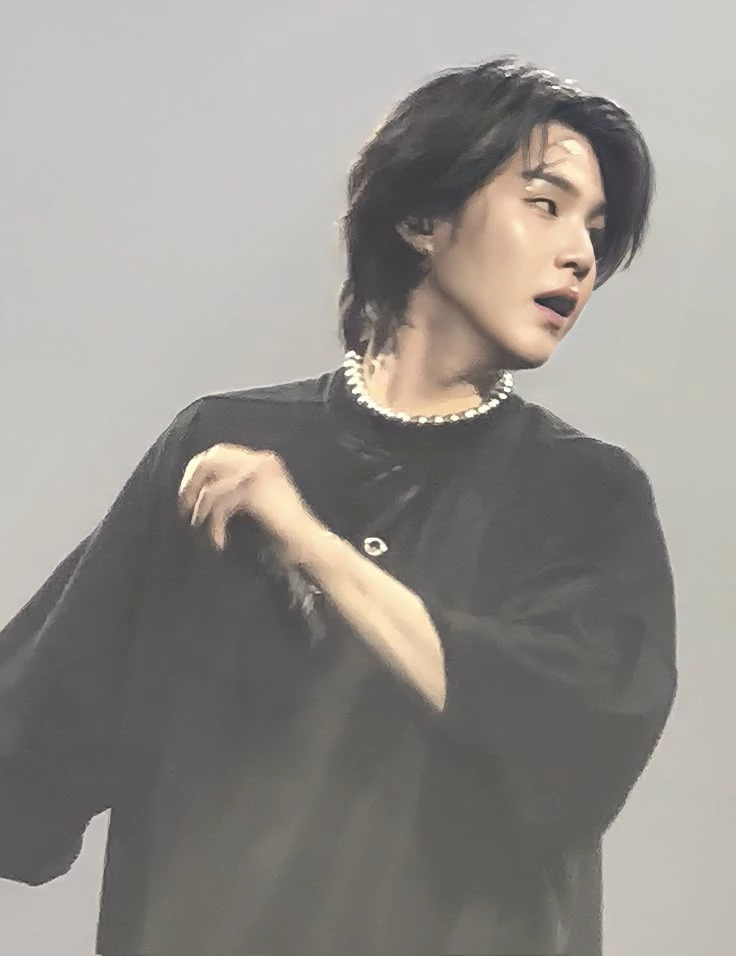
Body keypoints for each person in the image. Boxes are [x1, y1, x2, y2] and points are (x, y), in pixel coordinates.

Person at [0, 56, 677, 956]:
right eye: (545, 204)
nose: (581, 255)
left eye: (595, 227)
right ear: (422, 218)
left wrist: (312, 545)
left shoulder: (586, 494)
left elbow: (576, 742)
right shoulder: (221, 448)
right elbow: (38, 728)